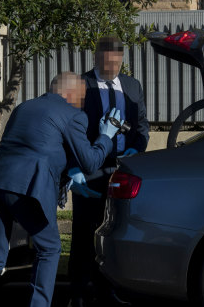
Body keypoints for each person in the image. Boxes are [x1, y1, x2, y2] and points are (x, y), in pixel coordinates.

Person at [0, 72, 123, 307]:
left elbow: (39, 146)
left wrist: (68, 173)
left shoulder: (24, 107)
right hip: (27, 188)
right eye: (82, 95)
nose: (83, 101)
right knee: (49, 250)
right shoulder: (73, 115)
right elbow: (89, 161)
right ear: (69, 93)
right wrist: (106, 136)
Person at [68, 36, 149, 307]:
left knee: (117, 228)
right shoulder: (81, 85)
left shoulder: (132, 85)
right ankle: (79, 290)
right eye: (106, 63)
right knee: (84, 230)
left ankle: (110, 288)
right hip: (90, 166)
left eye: (116, 64)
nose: (111, 68)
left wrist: (136, 151)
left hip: (123, 167)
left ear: (122, 59)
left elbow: (142, 127)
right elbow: (69, 131)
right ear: (96, 58)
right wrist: (72, 168)